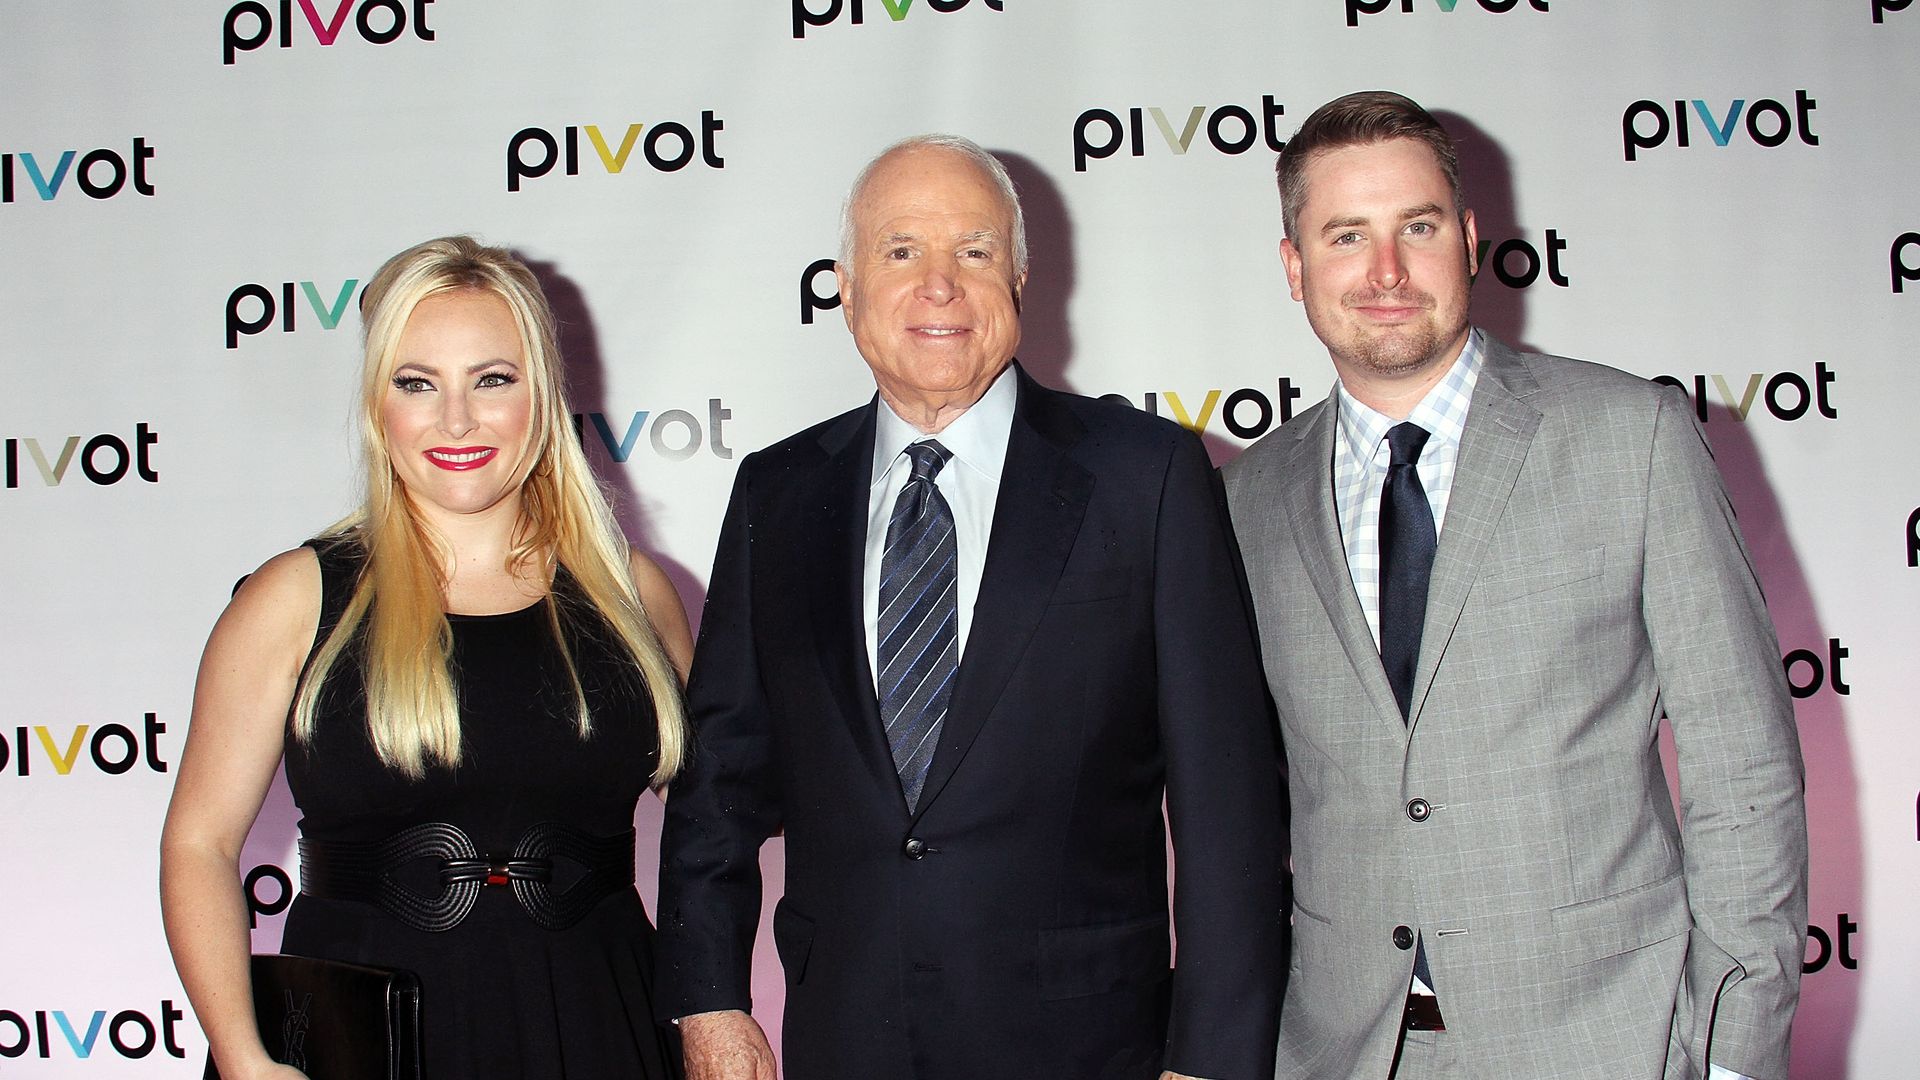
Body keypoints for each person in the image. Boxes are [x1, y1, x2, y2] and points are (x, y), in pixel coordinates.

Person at [655, 134, 1284, 1080]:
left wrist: (1211, 1057)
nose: (938, 285)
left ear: (1022, 279)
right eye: (901, 251)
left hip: (1091, 1047)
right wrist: (708, 995)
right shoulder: (777, 493)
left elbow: (1225, 799)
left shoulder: (1144, 476)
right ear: (846, 286)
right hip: (844, 1038)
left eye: (975, 252)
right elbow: (719, 783)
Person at [1221, 91, 1808, 1080]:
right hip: (1342, 1048)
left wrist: (1736, 1056)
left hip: (1603, 1038)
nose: (1387, 271)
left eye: (1417, 226)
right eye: (1346, 236)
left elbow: (1743, 767)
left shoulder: (1633, 438)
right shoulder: (1247, 500)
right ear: (1294, 267)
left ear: (1470, 238)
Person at [160, 235, 694, 1078]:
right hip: (368, 1041)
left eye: (492, 379)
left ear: (543, 394)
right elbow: (198, 842)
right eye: (418, 384)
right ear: (379, 405)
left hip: (599, 1023)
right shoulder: (294, 599)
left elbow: (721, 824)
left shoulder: (632, 594)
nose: (456, 421)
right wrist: (242, 1056)